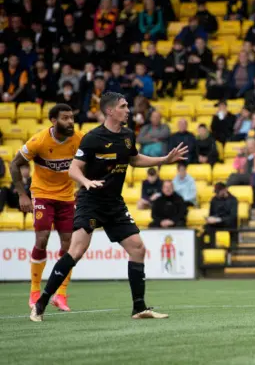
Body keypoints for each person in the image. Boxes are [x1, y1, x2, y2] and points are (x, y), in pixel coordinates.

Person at [30, 92, 188, 322]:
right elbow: (74, 169)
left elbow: (134, 159)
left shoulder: (126, 135)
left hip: (114, 202)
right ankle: (41, 303)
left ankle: (139, 308)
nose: (128, 110)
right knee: (76, 251)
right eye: (124, 106)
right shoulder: (93, 138)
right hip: (91, 200)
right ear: (110, 111)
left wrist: (163, 160)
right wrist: (85, 182)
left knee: (137, 248)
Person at [9, 104, 81, 311]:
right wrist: (23, 194)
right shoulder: (39, 141)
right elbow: (14, 164)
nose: (70, 122)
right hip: (42, 194)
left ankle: (61, 295)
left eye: (72, 117)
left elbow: (93, 161)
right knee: (42, 239)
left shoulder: (80, 139)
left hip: (67, 197)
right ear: (53, 120)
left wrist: (83, 183)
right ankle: (34, 292)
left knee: (69, 246)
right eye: (65, 118)